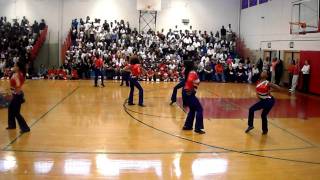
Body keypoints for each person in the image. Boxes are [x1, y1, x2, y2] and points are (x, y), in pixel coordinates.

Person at [6, 61, 30, 133]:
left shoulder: (18, 75)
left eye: (15, 65)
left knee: (16, 112)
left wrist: (12, 94)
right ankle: (12, 125)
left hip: (17, 95)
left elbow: (18, 86)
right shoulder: (15, 74)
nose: (13, 66)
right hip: (14, 94)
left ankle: (25, 128)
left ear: (18, 67)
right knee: (10, 109)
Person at [182, 61, 205, 134]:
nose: (195, 64)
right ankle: (198, 128)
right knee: (199, 109)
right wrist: (192, 90)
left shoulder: (187, 71)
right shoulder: (193, 73)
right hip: (189, 93)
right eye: (194, 63)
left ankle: (187, 126)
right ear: (192, 65)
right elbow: (193, 81)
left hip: (185, 93)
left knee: (192, 109)